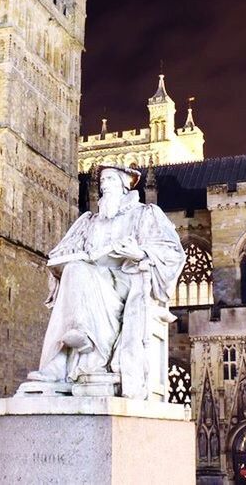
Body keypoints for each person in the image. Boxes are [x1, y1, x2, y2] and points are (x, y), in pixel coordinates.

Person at [25, 165, 186, 399]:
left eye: (109, 179)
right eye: (101, 181)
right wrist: (69, 257)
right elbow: (61, 250)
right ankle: (61, 359)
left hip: (126, 281)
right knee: (74, 270)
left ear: (124, 184)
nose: (103, 185)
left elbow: (173, 252)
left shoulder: (145, 214)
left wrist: (139, 253)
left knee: (81, 275)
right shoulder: (88, 221)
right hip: (90, 277)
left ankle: (74, 349)